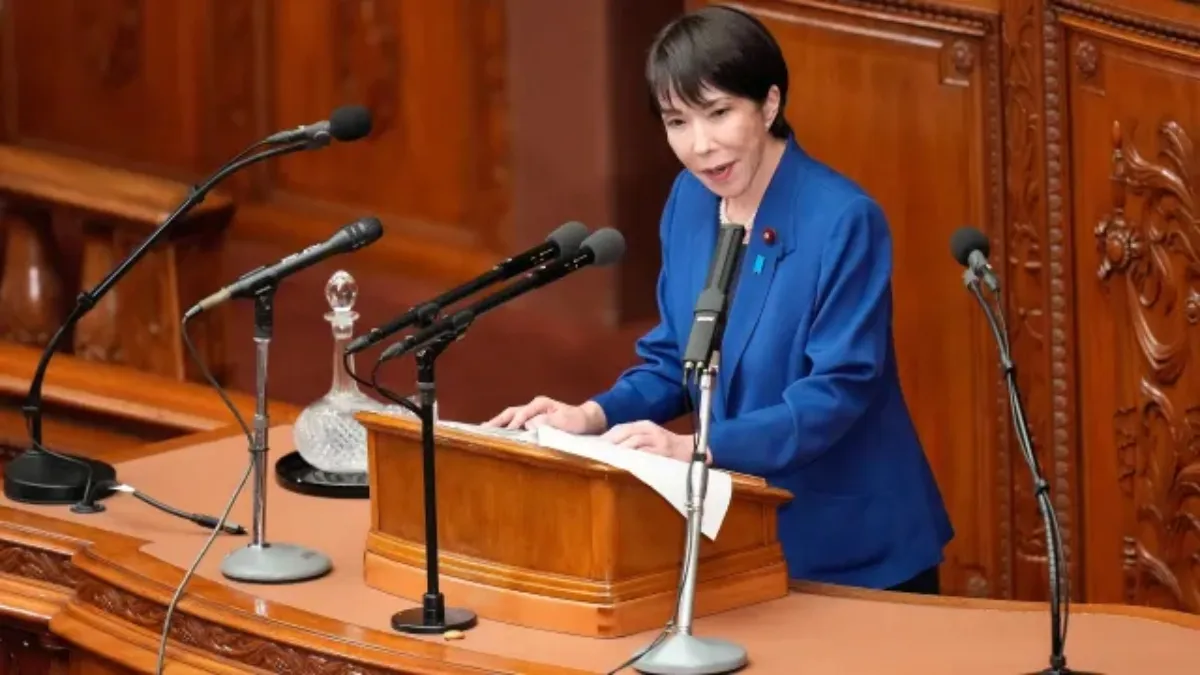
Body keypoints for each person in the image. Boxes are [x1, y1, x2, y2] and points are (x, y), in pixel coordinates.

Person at [484, 5, 953, 594]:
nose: (700, 146)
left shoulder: (842, 220)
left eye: (719, 113)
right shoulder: (690, 200)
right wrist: (591, 416)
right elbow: (676, 358)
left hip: (851, 548)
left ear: (770, 104)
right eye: (677, 121)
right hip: (742, 539)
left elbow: (837, 392)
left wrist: (696, 447)